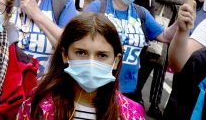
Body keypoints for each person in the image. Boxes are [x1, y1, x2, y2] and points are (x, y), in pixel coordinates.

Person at [17, 13, 145, 120]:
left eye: (102, 55)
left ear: (116, 61)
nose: (91, 64)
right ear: (65, 55)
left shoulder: (131, 114)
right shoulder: (37, 104)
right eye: (81, 53)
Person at [85, 0, 178, 101]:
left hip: (128, 89)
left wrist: (180, 23)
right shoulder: (98, 7)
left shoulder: (141, 13)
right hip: (97, 85)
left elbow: (164, 36)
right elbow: (77, 36)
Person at [141, 0, 185, 116]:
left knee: (157, 72)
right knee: (147, 68)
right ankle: (141, 97)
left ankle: (154, 103)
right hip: (159, 35)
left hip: (166, 39)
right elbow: (179, 1)